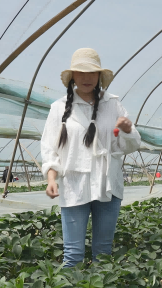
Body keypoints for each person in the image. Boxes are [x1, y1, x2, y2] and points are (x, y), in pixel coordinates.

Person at [41, 48, 141, 267]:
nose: (86, 78)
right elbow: (50, 148)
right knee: (73, 254)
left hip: (107, 184)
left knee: (103, 252)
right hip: (74, 184)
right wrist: (51, 178)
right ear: (73, 76)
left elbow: (131, 145)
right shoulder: (59, 108)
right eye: (81, 72)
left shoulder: (113, 104)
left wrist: (127, 130)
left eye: (92, 73)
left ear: (99, 76)